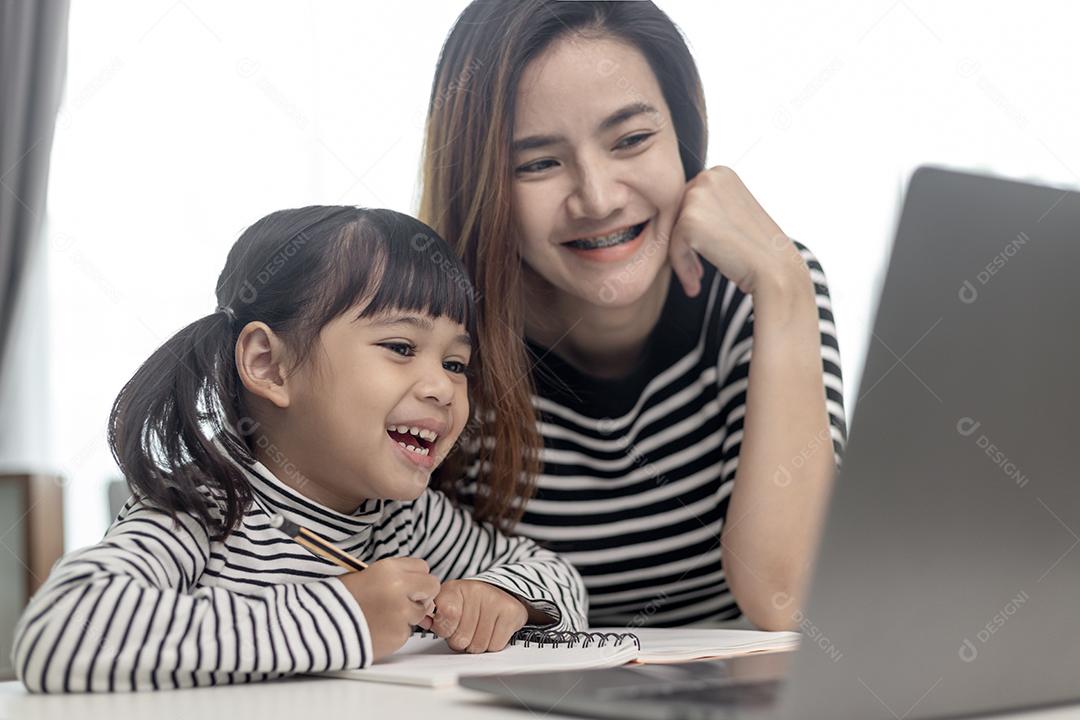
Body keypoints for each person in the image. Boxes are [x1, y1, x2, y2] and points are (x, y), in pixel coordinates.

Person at [12, 206, 587, 693]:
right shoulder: (203, 506)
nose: (442, 387)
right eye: (400, 346)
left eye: (456, 363)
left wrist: (502, 596)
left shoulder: (409, 519)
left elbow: (558, 576)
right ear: (270, 365)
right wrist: (347, 616)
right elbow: (61, 630)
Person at [420, 0, 847, 630]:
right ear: (482, 184)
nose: (597, 199)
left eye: (631, 140)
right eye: (538, 163)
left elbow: (793, 602)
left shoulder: (766, 287)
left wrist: (784, 289)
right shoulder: (442, 336)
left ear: (684, 139)